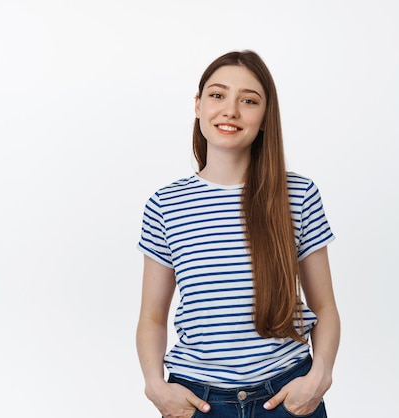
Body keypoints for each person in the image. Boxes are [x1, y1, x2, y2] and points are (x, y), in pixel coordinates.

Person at [136, 50, 339, 418]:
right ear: (198, 105)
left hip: (286, 396)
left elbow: (324, 306)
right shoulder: (165, 205)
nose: (230, 110)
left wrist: (319, 377)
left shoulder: (298, 195)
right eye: (217, 95)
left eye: (248, 101)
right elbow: (152, 316)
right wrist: (156, 386)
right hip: (198, 401)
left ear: (264, 118)